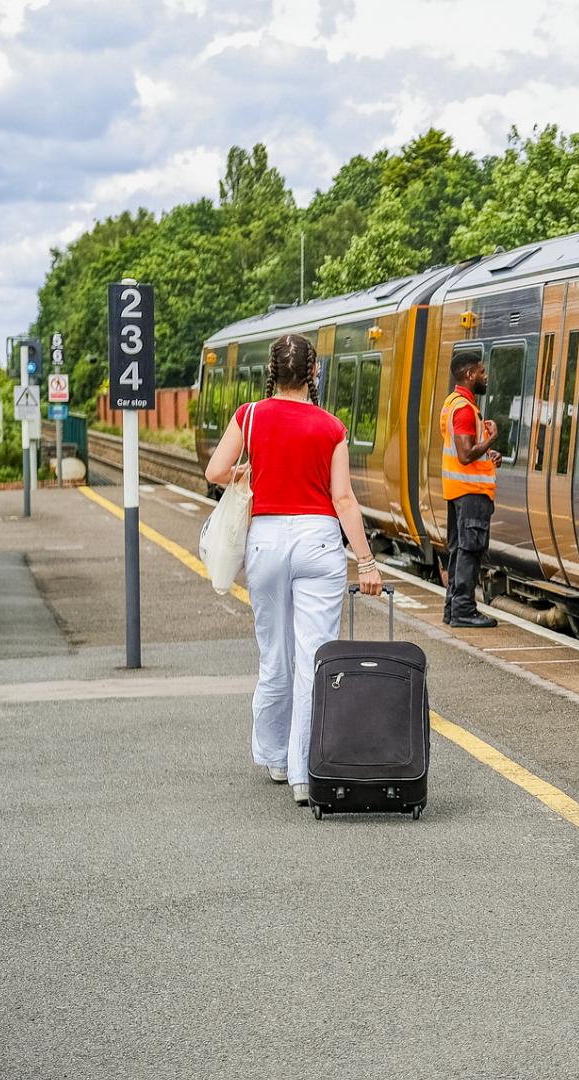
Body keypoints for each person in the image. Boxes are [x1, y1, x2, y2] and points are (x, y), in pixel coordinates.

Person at [204, 334, 383, 807]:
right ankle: (307, 774)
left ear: (271, 372)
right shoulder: (331, 427)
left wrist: (249, 475)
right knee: (313, 658)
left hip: (266, 541)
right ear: (313, 373)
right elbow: (343, 499)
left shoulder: (251, 415)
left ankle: (275, 759)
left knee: (274, 654)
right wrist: (365, 560)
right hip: (319, 542)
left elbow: (215, 471)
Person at [440, 352, 502, 627]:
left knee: (459, 550)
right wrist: (492, 438)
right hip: (470, 492)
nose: (485, 376)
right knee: (469, 550)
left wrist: (489, 452)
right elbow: (465, 454)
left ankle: (453, 610)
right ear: (469, 375)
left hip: (459, 490)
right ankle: (464, 610)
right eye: (481, 371)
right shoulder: (464, 408)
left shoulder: (453, 403)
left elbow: (466, 451)